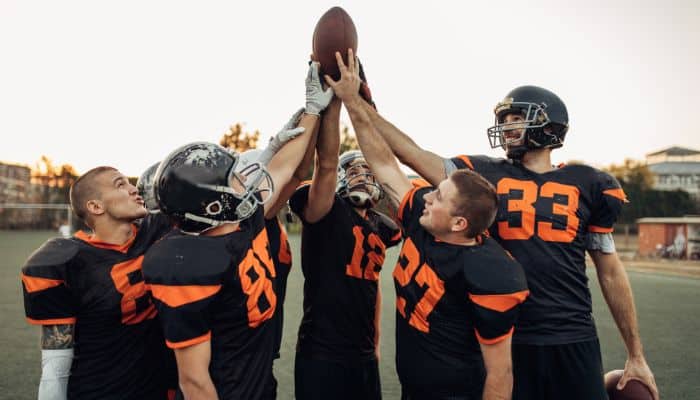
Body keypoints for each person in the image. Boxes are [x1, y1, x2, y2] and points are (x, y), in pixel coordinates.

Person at [346, 62, 658, 399]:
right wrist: (363, 107)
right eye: (504, 120)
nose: (507, 127)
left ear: (549, 125)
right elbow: (411, 154)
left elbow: (609, 271)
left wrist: (636, 354)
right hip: (507, 333)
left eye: (516, 119)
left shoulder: (590, 183)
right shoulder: (480, 177)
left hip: (573, 334)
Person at [326, 49, 529, 400]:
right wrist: (352, 102)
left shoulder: (492, 273)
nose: (428, 197)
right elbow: (384, 164)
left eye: (439, 197)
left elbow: (500, 372)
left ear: (459, 222)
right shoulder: (424, 218)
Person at [141, 61, 333, 400]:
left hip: (259, 382)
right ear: (213, 206)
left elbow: (287, 166)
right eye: (234, 179)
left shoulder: (246, 216)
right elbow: (195, 382)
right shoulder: (185, 266)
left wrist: (312, 110)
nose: (246, 179)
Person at [21, 166, 176, 400]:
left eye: (130, 182)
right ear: (95, 206)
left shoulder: (160, 229)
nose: (134, 189)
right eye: (120, 184)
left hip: (159, 387)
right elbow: (56, 367)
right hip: (99, 391)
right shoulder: (67, 261)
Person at [288, 91, 402, 400]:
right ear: (340, 179)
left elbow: (372, 283)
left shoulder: (382, 226)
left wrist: (375, 343)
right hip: (322, 352)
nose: (362, 175)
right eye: (353, 170)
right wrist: (334, 105)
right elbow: (325, 164)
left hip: (362, 353)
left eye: (367, 170)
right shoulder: (327, 210)